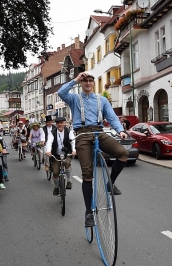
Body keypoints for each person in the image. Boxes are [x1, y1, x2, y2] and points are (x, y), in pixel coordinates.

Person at [58, 71, 128, 227]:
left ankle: (111, 183)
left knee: (123, 153)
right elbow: (61, 92)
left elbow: (112, 117)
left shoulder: (102, 100)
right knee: (87, 173)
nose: (88, 83)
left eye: (90, 80)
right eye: (85, 81)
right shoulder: (74, 99)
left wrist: (120, 131)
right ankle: (89, 212)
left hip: (99, 132)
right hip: (82, 135)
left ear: (93, 83)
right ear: (81, 83)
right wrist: (76, 79)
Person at [45, 117, 76, 194]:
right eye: (58, 123)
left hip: (66, 154)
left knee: (67, 163)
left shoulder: (69, 131)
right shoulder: (52, 132)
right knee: (55, 173)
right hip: (56, 154)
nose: (60, 124)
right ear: (56, 124)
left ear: (64, 123)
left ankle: (69, 181)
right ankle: (56, 187)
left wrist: (74, 150)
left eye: (61, 123)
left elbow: (73, 141)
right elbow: (49, 142)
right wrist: (48, 151)